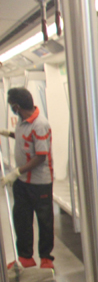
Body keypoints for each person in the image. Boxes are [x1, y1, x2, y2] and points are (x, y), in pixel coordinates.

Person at [0, 88, 55, 270]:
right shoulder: (23, 121)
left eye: (12, 106)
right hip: (23, 182)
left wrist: (16, 172)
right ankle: (25, 257)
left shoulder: (40, 124)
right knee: (22, 218)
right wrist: (6, 133)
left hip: (40, 183)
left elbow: (40, 156)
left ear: (17, 106)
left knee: (44, 220)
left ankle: (46, 257)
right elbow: (25, 139)